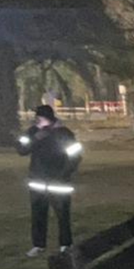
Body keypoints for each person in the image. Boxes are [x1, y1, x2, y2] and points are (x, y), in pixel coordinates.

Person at [16, 104, 82, 257]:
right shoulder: (33, 132)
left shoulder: (64, 133)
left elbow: (75, 155)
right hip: (37, 182)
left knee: (62, 215)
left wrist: (65, 174)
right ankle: (38, 245)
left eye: (40, 117)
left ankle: (65, 244)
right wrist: (34, 139)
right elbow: (21, 150)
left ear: (48, 118)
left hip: (59, 183)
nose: (38, 120)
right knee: (38, 214)